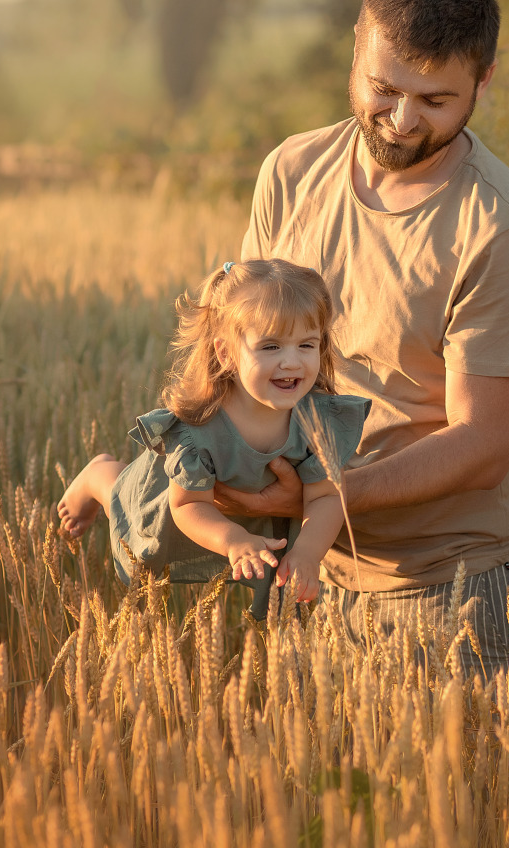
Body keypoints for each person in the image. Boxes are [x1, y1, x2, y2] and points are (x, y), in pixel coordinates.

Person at [222, 0, 509, 677]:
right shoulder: (291, 170)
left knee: (455, 792)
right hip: (307, 573)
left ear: (484, 82)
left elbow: (484, 441)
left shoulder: (501, 227)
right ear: (356, 49)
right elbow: (238, 352)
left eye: (436, 100)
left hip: (450, 589)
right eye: (384, 89)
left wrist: (327, 495)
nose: (403, 121)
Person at [56, 259, 369, 619]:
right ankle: (99, 475)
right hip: (180, 508)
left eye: (306, 345)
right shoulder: (200, 428)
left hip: (260, 525)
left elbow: (327, 496)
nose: (292, 362)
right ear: (226, 353)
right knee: (134, 525)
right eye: (271, 347)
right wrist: (233, 539)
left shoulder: (318, 420)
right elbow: (188, 506)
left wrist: (307, 553)